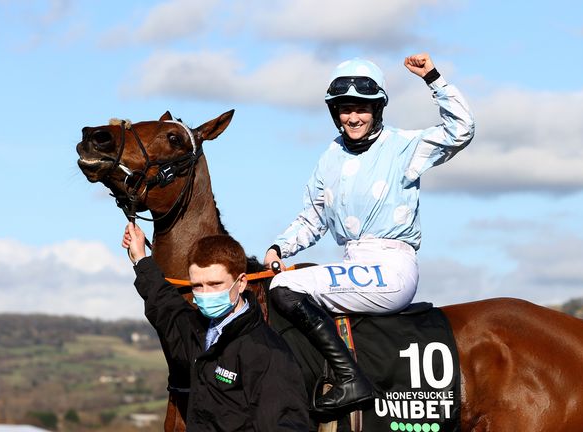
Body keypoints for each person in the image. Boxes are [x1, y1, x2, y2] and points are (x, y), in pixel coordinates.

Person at [263, 53, 475, 413]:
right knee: (282, 287)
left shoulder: (404, 146)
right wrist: (278, 247)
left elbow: (461, 129)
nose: (353, 117)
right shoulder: (329, 157)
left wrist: (433, 79)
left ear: (377, 109)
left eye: (362, 108)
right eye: (345, 109)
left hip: (392, 269)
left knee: (285, 288)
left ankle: (352, 381)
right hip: (353, 265)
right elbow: (313, 217)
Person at [122, 223, 310, 431]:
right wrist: (140, 258)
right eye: (197, 286)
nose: (206, 293)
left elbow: (286, 424)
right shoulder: (199, 332)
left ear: (240, 283)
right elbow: (165, 305)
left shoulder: (267, 353)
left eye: (215, 284)